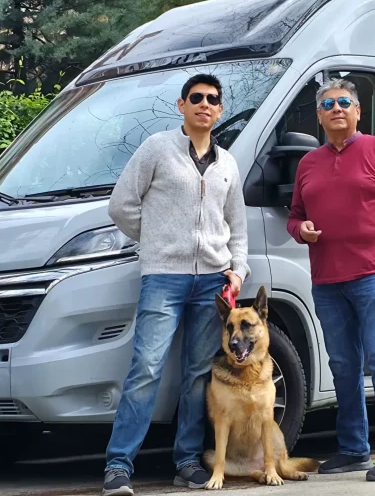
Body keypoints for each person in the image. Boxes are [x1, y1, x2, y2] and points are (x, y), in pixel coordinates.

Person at [101, 73, 249, 496]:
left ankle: (186, 461)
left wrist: (237, 270)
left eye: (213, 99)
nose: (205, 104)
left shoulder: (228, 164)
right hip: (163, 276)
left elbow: (236, 226)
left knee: (198, 374)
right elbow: (121, 204)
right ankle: (117, 466)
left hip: (212, 284)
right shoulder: (157, 149)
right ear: (182, 105)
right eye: (196, 97)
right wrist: (154, 240)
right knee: (146, 368)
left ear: (220, 110)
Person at [286, 77, 375, 482]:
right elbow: (294, 214)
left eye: (345, 101)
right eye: (329, 104)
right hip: (327, 280)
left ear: (358, 110)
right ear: (319, 116)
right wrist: (300, 229)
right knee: (343, 365)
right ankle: (354, 449)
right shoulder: (308, 164)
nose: (337, 108)